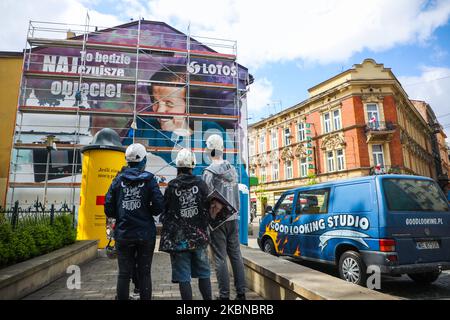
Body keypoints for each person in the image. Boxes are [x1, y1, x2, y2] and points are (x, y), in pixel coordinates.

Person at [104, 143, 164, 300]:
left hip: (124, 233)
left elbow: (108, 208)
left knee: (123, 273)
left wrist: (122, 213)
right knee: (145, 273)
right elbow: (159, 206)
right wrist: (146, 211)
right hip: (145, 234)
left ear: (127, 161)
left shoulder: (118, 180)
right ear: (144, 160)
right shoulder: (150, 180)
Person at [159, 148, 212, 300]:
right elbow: (207, 207)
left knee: (183, 276)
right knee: (204, 273)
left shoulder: (171, 186)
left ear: (178, 166)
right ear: (192, 165)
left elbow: (165, 209)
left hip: (179, 239)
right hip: (199, 238)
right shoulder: (200, 184)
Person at [202, 134, 246, 300]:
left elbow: (205, 198)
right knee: (236, 255)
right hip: (233, 218)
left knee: (220, 257)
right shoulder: (233, 170)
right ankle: (241, 294)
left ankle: (224, 296)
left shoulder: (209, 172)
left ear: (210, 150)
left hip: (217, 221)